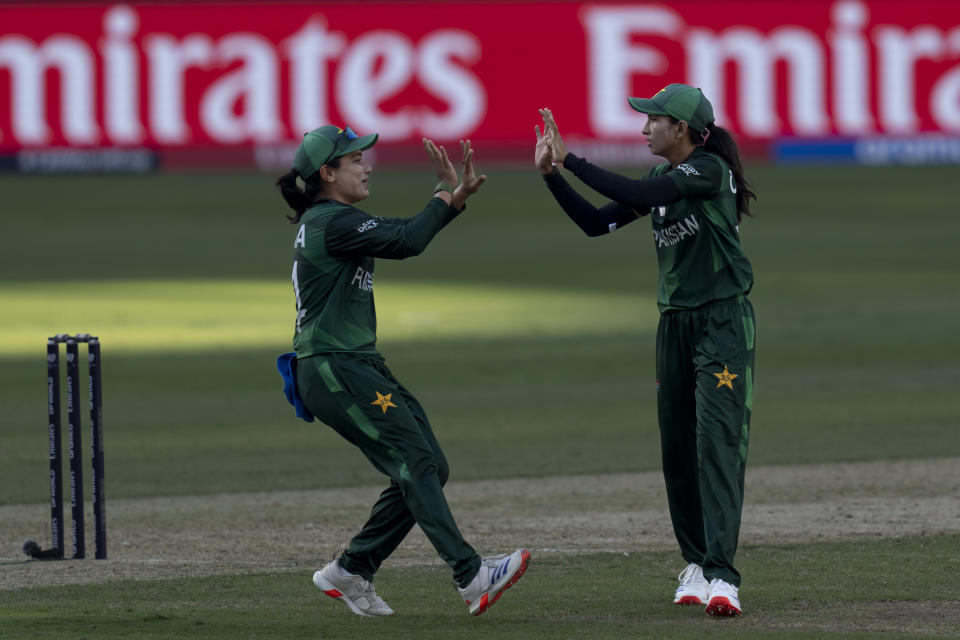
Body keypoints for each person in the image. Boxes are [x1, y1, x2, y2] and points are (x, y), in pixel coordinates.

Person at [275, 125, 530, 617]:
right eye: (355, 161)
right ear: (327, 173)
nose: (367, 166)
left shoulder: (331, 218)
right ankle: (470, 574)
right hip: (335, 366)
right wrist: (442, 193)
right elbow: (408, 239)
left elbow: (405, 236)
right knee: (415, 462)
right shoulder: (332, 221)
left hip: (355, 363)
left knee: (428, 465)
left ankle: (351, 569)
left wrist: (450, 202)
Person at [534, 84, 757, 617]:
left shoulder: (707, 171)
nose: (643, 128)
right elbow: (596, 223)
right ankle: (698, 563)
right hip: (674, 325)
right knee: (677, 450)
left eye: (653, 120)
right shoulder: (663, 176)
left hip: (722, 320)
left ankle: (724, 576)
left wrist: (573, 159)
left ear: (680, 129)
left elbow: (640, 197)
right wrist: (551, 176)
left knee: (716, 443)